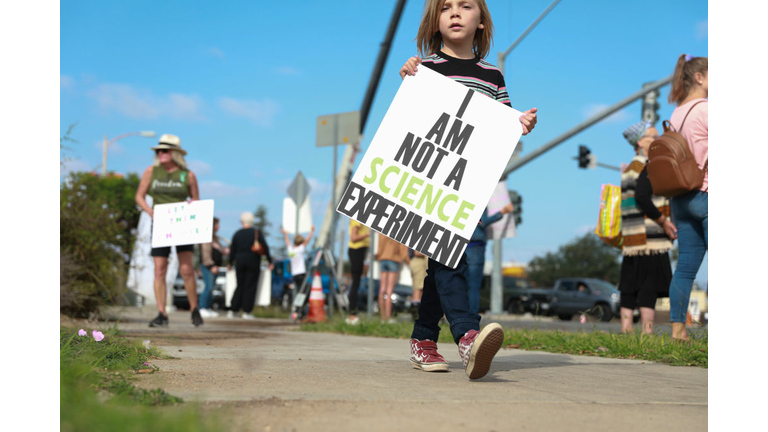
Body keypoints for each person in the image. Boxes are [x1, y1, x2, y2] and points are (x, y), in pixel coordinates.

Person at [399, 0, 537, 379]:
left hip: (468, 184)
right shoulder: (425, 68)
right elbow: (408, 120)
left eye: (465, 6)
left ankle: (423, 339)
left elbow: (503, 119)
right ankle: (467, 336)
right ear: (435, 20)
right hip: (428, 181)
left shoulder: (492, 75)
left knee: (440, 264)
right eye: (446, 8)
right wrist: (409, 76)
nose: (455, 13)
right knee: (449, 258)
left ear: (480, 22)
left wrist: (520, 121)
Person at [135, 134, 204, 327]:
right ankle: (162, 313)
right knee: (159, 269)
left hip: (182, 224)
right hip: (160, 224)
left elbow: (196, 200)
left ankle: (194, 309)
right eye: (158, 150)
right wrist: (150, 212)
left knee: (186, 269)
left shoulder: (187, 175)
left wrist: (193, 205)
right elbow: (139, 196)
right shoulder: (151, 171)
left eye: (164, 150)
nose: (160, 153)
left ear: (175, 153)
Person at [619, 121, 677, 335]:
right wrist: (663, 220)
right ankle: (647, 332)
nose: (657, 139)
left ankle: (625, 331)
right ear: (640, 142)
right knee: (648, 286)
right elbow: (643, 197)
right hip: (650, 236)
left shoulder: (629, 168)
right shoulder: (648, 166)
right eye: (652, 136)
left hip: (631, 238)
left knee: (629, 285)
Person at [666, 54, 708, 342]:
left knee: (684, 267)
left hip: (680, 198)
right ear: (699, 77)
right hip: (706, 193)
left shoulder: (676, 113)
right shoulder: (707, 110)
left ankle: (678, 331)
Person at [466, 204, 513, 315]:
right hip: (475, 248)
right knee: (473, 286)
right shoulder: (479, 203)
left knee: (460, 284)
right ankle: (471, 317)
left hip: (462, 246)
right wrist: (502, 212)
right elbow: (482, 222)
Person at [227, 212, 273, 319]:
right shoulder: (256, 232)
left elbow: (232, 250)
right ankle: (247, 311)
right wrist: (270, 261)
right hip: (253, 261)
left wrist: (230, 262)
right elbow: (265, 247)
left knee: (240, 285)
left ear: (241, 221)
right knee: (250, 286)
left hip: (239, 262)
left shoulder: (237, 233)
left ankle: (233, 309)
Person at [375, 233, 410, 324]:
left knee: (382, 290)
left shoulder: (382, 233)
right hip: (393, 261)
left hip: (383, 259)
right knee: (389, 291)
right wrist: (408, 261)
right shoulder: (399, 233)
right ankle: (388, 317)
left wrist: (379, 255)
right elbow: (403, 252)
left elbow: (379, 248)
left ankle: (382, 317)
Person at [199, 217, 229, 318]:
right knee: (208, 287)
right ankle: (202, 307)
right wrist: (211, 265)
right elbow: (205, 253)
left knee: (212, 288)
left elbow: (219, 251)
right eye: (217, 224)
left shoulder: (215, 238)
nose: (219, 226)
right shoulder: (206, 237)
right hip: (209, 266)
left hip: (216, 266)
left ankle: (208, 307)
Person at [282, 224, 315, 304]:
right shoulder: (300, 249)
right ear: (301, 242)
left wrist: (285, 234)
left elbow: (288, 243)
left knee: (299, 291)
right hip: (301, 273)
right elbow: (307, 241)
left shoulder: (291, 251)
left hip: (294, 274)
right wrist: (312, 231)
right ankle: (300, 307)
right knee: (303, 291)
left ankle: (298, 307)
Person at [345, 219, 370, 325]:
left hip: (361, 250)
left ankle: (353, 311)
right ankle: (352, 313)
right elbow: (354, 237)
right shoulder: (357, 219)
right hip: (356, 250)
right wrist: (368, 235)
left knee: (357, 282)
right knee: (355, 283)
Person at [407, 248, 428, 319]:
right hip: (419, 261)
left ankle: (418, 315)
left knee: (421, 289)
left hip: (418, 261)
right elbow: (417, 252)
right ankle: (415, 315)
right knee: (418, 289)